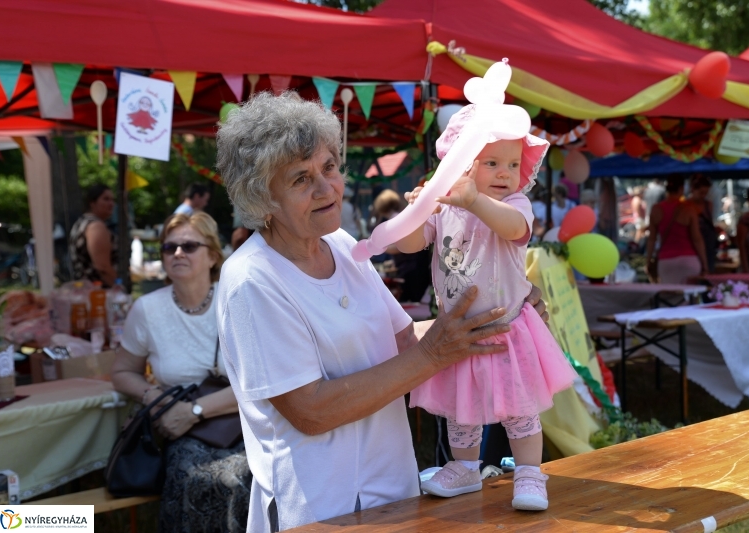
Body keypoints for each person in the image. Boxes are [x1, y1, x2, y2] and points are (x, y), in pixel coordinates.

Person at [214, 92, 551, 531]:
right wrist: (436, 352)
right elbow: (310, 410)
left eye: (329, 167)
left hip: (394, 495)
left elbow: (404, 341)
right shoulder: (251, 280)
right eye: (300, 179)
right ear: (262, 198)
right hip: (318, 511)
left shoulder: (340, 245)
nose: (326, 188)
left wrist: (502, 316)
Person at [397, 104, 576, 511]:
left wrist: (474, 199)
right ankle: (465, 467)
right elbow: (408, 244)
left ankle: (529, 472)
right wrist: (417, 212)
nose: (504, 173)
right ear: (461, 164)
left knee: (520, 408)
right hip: (458, 332)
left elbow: (513, 229)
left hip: (507, 328)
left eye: (512, 164)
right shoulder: (444, 208)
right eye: (491, 163)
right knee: (461, 408)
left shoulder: (515, 204)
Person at [111, 212, 251, 533]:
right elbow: (122, 372)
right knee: (190, 477)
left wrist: (194, 411)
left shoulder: (238, 300)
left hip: (241, 424)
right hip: (182, 430)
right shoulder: (147, 309)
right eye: (168, 247)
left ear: (212, 256)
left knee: (240, 479)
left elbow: (260, 383)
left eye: (189, 246)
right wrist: (155, 397)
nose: (177, 253)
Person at [645, 176, 708, 284]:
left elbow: (651, 239)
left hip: (666, 261)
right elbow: (697, 239)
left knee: (669, 294)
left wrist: (648, 261)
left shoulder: (656, 209)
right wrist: (705, 265)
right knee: (690, 293)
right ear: (682, 189)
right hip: (689, 259)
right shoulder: (689, 208)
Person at [69, 184, 117, 287]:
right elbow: (102, 267)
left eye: (112, 200)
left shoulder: (81, 222)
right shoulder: (95, 226)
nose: (111, 204)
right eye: (106, 199)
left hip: (83, 289)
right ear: (92, 203)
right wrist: (118, 287)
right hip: (99, 292)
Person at [688, 174, 717, 273]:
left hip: (708, 246)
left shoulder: (708, 205)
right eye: (701, 193)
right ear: (693, 189)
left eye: (706, 193)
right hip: (692, 247)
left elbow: (710, 223)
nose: (703, 196)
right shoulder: (685, 206)